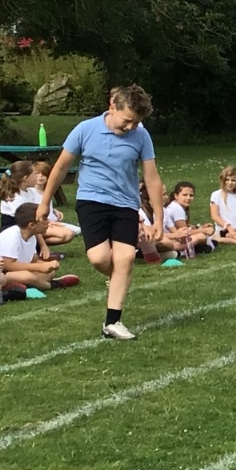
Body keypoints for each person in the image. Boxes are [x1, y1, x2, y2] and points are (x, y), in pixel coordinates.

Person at [39, 83, 165, 340]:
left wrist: (158, 219)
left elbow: (152, 178)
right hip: (92, 201)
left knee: (125, 258)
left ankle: (112, 322)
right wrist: (44, 202)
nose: (131, 127)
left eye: (136, 122)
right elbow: (60, 168)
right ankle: (119, 278)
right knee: (99, 259)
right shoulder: (85, 129)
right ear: (112, 107)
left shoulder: (141, 136)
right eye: (127, 120)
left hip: (125, 204)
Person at [0, 203, 80, 292]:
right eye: (44, 220)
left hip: (13, 272)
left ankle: (24, 285)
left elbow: (34, 260)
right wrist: (40, 267)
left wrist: (49, 265)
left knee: (50, 273)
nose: (48, 223)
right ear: (32, 225)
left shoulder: (31, 236)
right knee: (27, 276)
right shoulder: (12, 236)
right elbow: (9, 265)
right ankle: (53, 285)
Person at [161, 181, 217, 258]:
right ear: (176, 196)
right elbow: (184, 231)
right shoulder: (177, 208)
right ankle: (184, 251)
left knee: (200, 236)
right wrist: (203, 230)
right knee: (201, 236)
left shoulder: (175, 206)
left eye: (191, 195)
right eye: (185, 195)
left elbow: (184, 226)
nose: (188, 198)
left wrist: (198, 227)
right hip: (169, 238)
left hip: (173, 236)